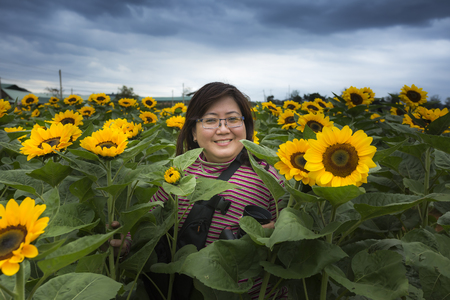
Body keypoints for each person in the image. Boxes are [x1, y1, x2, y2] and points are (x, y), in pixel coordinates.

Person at [148, 82, 287, 299]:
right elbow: (147, 222)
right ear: (193, 131)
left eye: (232, 119)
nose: (223, 129)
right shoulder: (177, 173)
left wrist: (276, 234)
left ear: (246, 127)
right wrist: (125, 241)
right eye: (211, 120)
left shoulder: (268, 176)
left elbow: (288, 242)